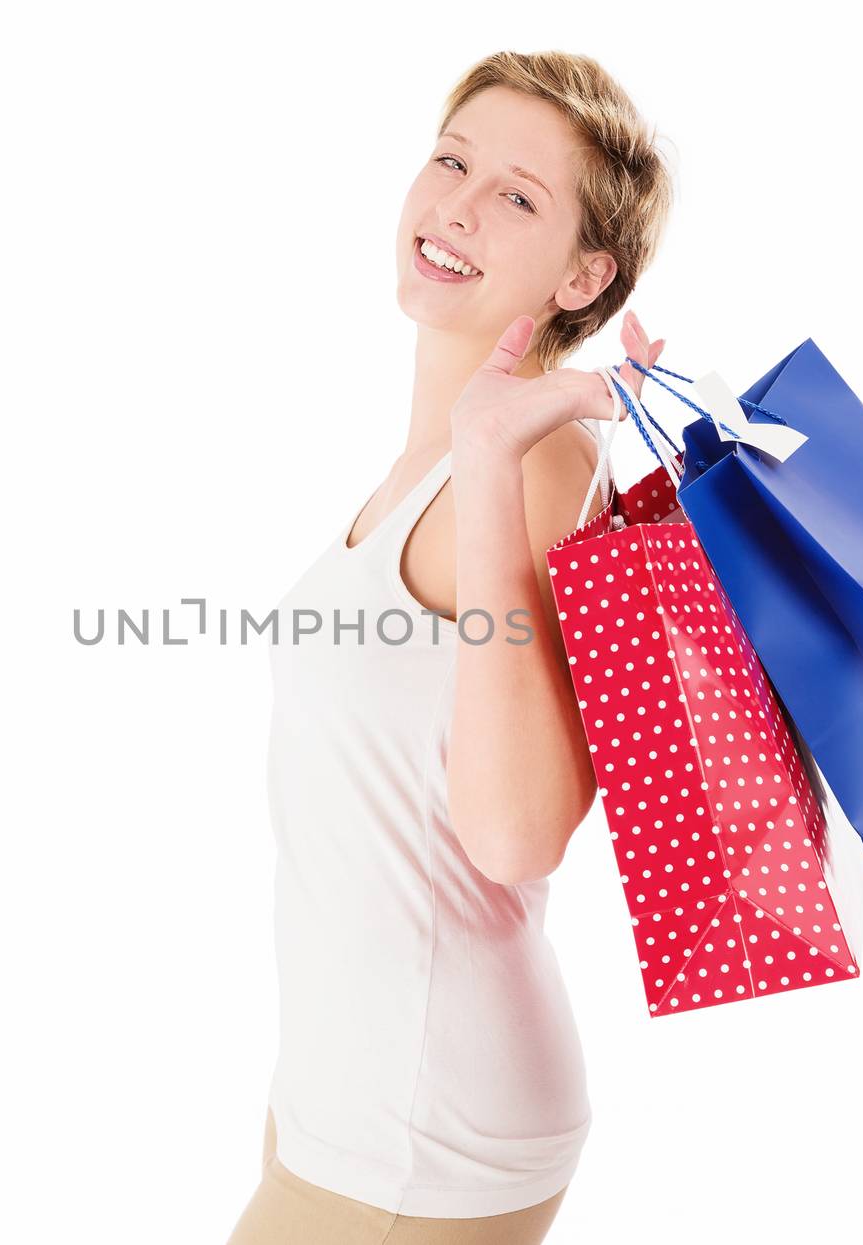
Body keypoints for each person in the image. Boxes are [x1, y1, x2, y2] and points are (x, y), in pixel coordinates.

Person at [226, 50, 673, 1245]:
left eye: (517, 197)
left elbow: (518, 833)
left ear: (588, 274)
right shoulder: (422, 466)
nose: (458, 204)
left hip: (422, 1130)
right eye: (450, 160)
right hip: (346, 1095)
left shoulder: (527, 466)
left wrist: (485, 459)